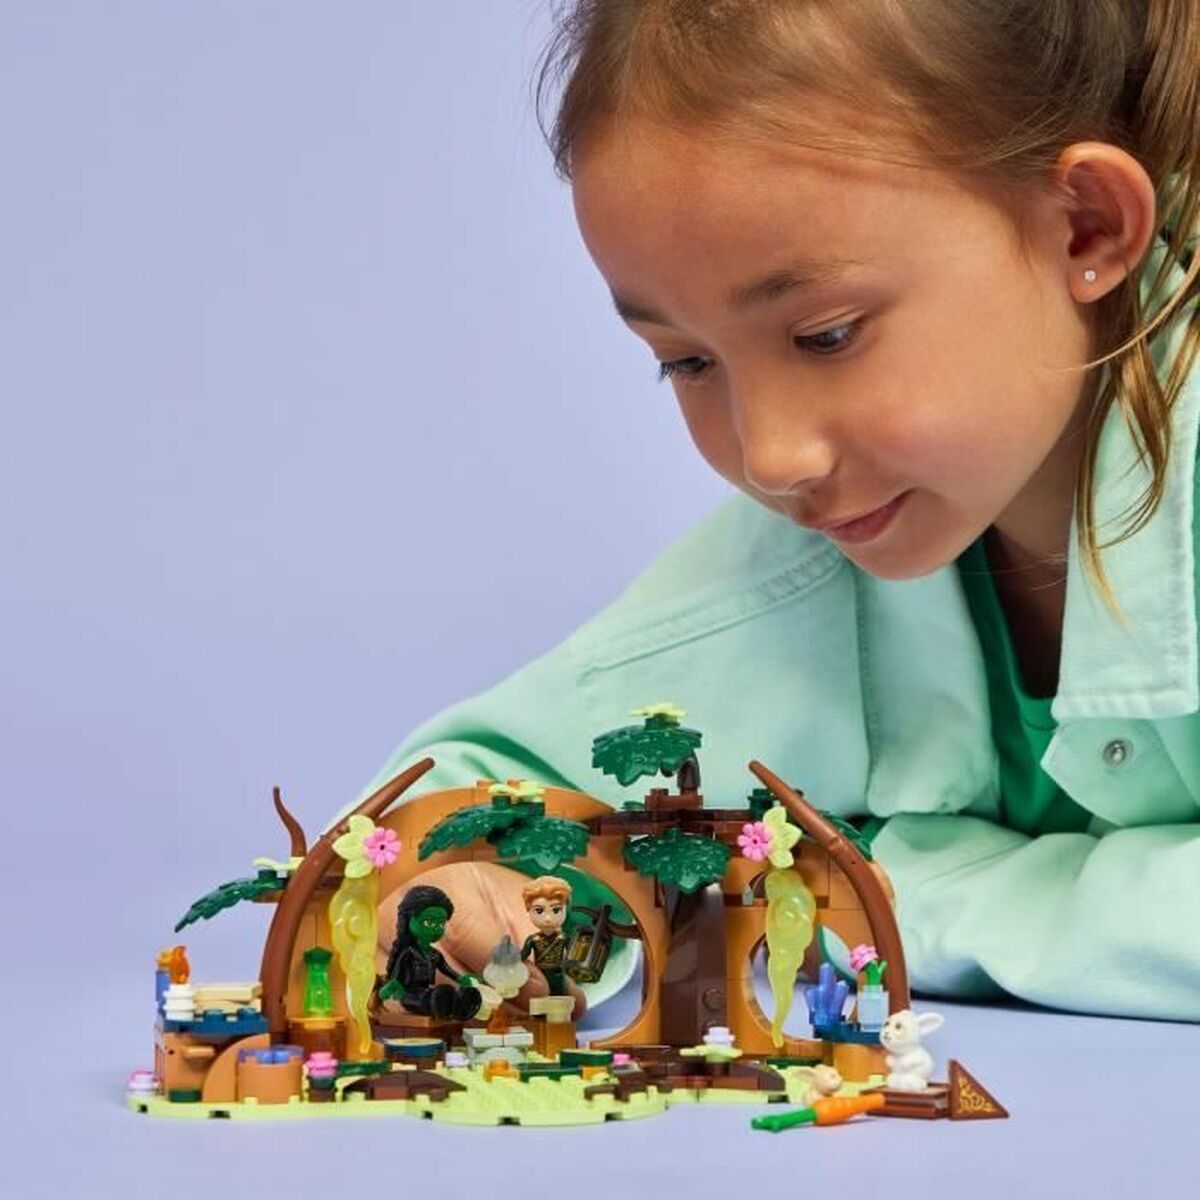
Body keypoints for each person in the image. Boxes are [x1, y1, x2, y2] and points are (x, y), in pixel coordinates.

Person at [357, 1, 1199, 1022]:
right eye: (686, 362)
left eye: (828, 335)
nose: (771, 458)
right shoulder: (814, 560)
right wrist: (461, 902)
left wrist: (896, 887)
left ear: (1087, 226)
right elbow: (451, 809)